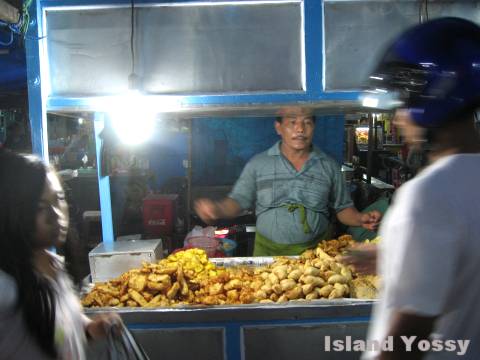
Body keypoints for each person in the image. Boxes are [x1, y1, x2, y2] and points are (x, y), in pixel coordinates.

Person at [352, 17, 480, 359]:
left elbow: (411, 331)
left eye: (404, 101)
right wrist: (394, 255)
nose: (398, 117)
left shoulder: (427, 194)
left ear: (436, 94)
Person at [195, 107, 381, 256]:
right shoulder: (259, 164)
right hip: (267, 256)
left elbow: (343, 209)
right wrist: (217, 209)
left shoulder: (328, 166)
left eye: (307, 122)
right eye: (292, 122)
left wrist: (360, 219)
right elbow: (237, 201)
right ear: (279, 127)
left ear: (314, 127)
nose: (300, 129)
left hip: (316, 258)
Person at [0, 150, 120, 359]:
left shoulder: (53, 266)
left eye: (59, 199)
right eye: (40, 207)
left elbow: (56, 330)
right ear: (12, 211)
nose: (56, 215)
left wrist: (91, 329)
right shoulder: (6, 287)